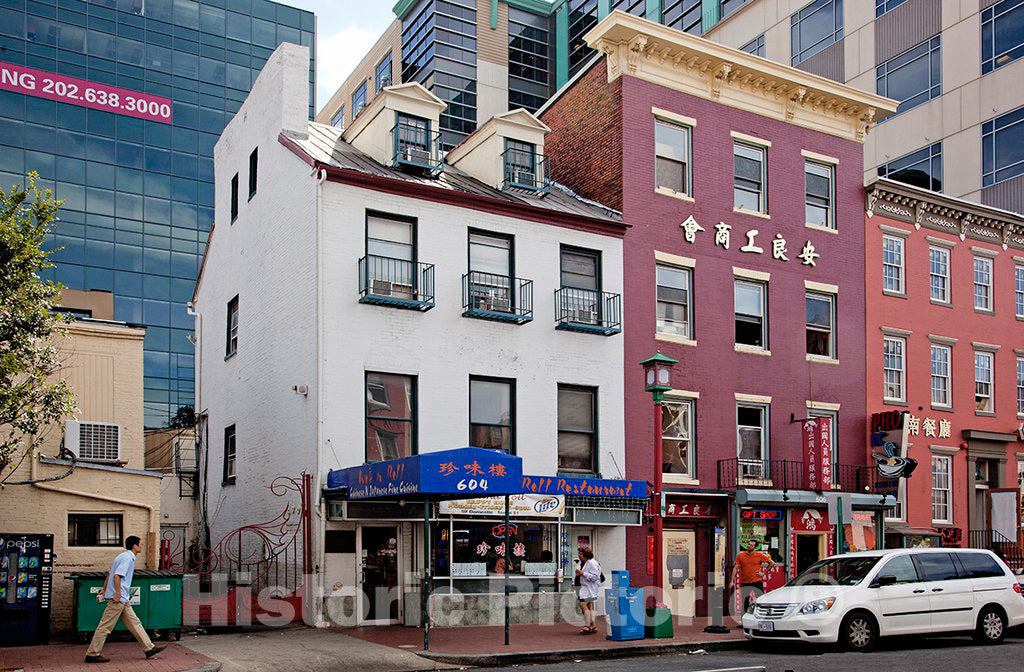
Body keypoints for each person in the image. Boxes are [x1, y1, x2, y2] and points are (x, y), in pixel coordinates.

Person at [84, 536, 165, 664]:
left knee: (135, 623)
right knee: (105, 627)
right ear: (134, 546)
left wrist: (104, 590)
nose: (142, 546)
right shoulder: (127, 558)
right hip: (118, 599)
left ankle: (149, 648)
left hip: (122, 599)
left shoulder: (121, 557)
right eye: (140, 544)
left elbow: (110, 575)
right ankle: (92, 654)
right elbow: (116, 576)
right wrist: (117, 594)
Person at [735, 538, 774, 618]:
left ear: (755, 547)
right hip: (745, 581)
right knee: (745, 601)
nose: (749, 546)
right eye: (748, 544)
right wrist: (732, 580)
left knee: (761, 599)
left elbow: (772, 563)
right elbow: (736, 567)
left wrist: (763, 573)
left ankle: (762, 616)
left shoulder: (759, 555)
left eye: (751, 545)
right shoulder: (741, 555)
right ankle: (744, 620)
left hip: (756, 580)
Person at [574, 545, 602, 635]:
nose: (578, 555)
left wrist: (583, 574)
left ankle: (587, 625)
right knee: (589, 605)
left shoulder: (592, 563)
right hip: (584, 587)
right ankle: (593, 625)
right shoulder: (582, 562)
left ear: (585, 555)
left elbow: (595, 577)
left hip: (589, 588)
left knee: (583, 604)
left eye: (580, 553)